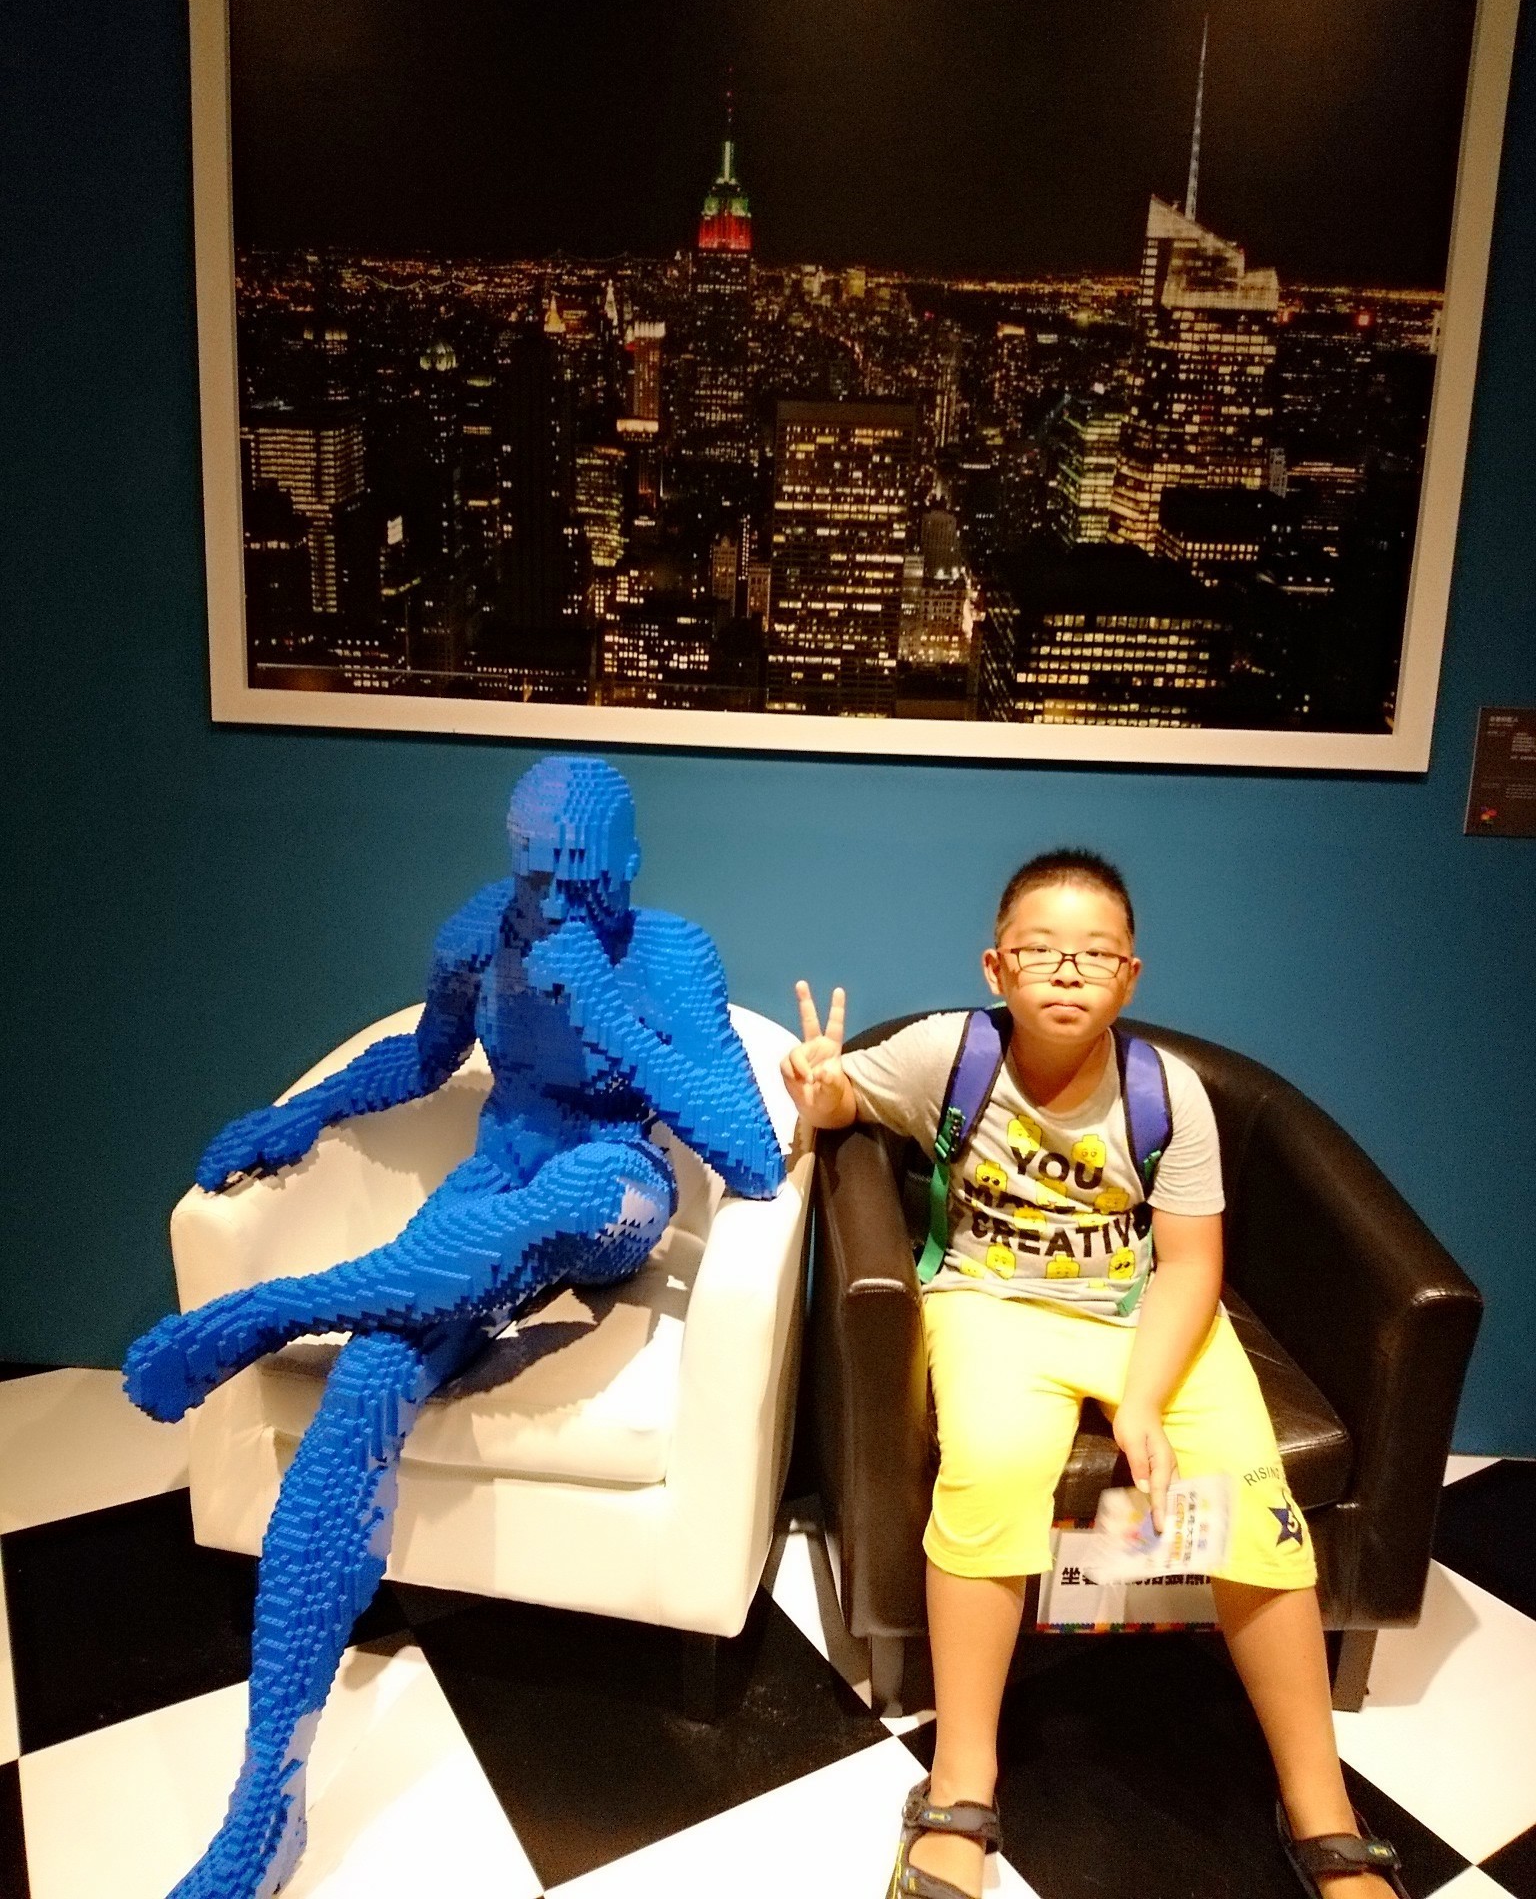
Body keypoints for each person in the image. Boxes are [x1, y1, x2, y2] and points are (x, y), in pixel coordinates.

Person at [124, 756, 784, 1899]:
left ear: (628, 863)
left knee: (577, 1188)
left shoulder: (671, 951)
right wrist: (302, 1110)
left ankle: (275, 1308)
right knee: (365, 1386)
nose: (556, 900)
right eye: (536, 874)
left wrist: (608, 1009)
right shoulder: (481, 932)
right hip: (488, 1194)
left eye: (581, 876)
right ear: (511, 858)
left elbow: (754, 1152)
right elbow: (423, 1058)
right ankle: (265, 1803)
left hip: (615, 1190)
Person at [781, 849, 1408, 1899]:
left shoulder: (1170, 1092)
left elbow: (1192, 1264)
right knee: (992, 1468)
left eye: (1095, 953)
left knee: (1246, 1495)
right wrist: (821, 1084)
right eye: (1039, 950)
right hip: (992, 1306)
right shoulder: (949, 1055)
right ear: (996, 966)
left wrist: (1146, 1403)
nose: (1067, 970)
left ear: (1130, 974)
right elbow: (846, 1106)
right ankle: (963, 1780)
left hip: (1139, 1315)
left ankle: (1322, 1809)